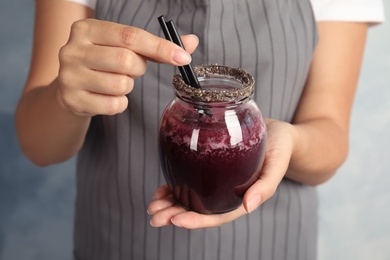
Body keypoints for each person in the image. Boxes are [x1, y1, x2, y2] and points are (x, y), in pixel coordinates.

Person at [15, 0, 384, 259]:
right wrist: (66, 97)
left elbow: (331, 135)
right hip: (120, 240)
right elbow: (39, 147)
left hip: (271, 244)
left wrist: (288, 139)